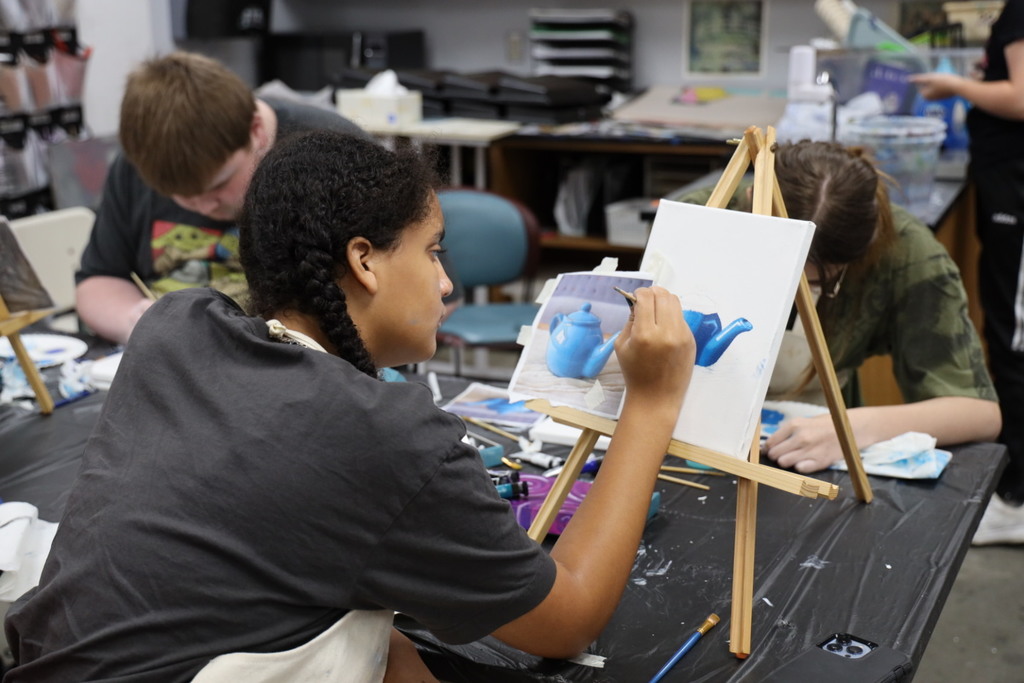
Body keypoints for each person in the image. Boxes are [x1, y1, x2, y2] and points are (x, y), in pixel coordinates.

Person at [3, 130, 696, 681]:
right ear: (364, 261)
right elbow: (567, 617)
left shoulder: (176, 325)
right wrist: (651, 403)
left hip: (52, 659)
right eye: (432, 252)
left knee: (384, 638)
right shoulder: (388, 437)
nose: (447, 281)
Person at [73, 50, 463, 345]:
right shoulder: (143, 160)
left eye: (217, 186)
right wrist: (137, 319)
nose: (202, 207)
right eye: (179, 197)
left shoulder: (334, 157)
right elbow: (98, 279)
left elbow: (432, 295)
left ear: (256, 130)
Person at [679, 140, 1000, 474]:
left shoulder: (907, 254)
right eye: (778, 270)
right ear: (751, 203)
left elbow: (981, 415)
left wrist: (854, 428)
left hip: (816, 444)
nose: (794, 294)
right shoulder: (706, 216)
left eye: (814, 284)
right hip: (693, 429)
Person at [911, 2, 1024, 544]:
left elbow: (1022, 97)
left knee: (1014, 340)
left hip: (1017, 194)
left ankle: (1016, 498)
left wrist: (956, 85)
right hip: (1006, 186)